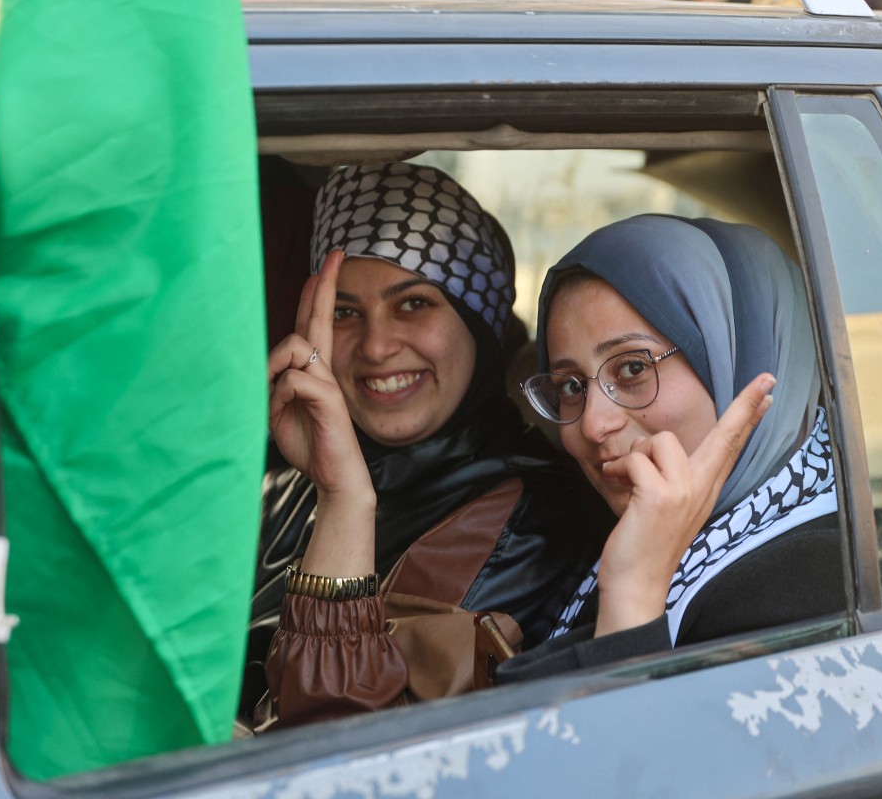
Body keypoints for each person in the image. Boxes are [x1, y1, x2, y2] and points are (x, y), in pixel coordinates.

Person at [243, 162, 612, 726]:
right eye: (344, 311)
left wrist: (344, 503)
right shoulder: (288, 482)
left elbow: (347, 749)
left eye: (413, 303)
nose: (376, 346)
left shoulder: (536, 521)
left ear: (478, 322)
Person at [498, 214, 848, 678]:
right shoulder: (609, 531)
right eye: (570, 387)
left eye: (631, 369)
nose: (592, 425)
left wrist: (634, 588)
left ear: (738, 362)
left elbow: (624, 748)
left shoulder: (804, 581)